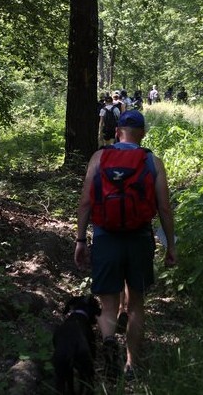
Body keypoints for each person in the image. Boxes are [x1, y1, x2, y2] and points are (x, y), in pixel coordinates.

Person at [74, 110, 176, 381]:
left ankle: (109, 345)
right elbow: (164, 208)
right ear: (142, 133)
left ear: (118, 131)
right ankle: (131, 364)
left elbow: (85, 202)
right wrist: (171, 246)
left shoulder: (99, 157)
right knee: (136, 306)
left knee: (107, 306)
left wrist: (81, 239)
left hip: (106, 237)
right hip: (139, 238)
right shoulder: (152, 161)